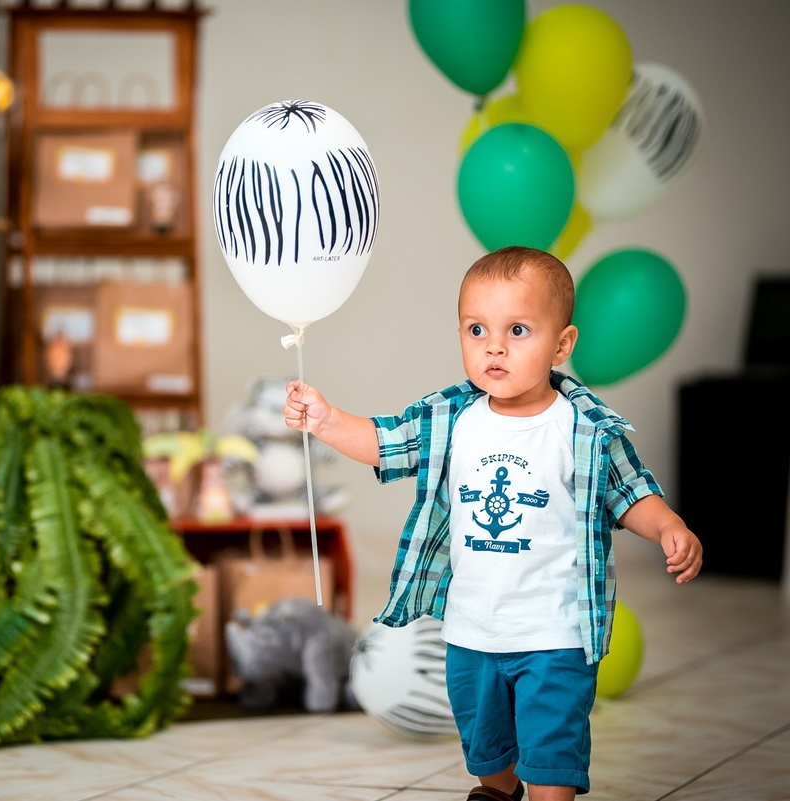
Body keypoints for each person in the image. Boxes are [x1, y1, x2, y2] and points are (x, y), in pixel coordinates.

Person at [283, 245, 702, 801]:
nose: (494, 346)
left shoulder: (585, 429)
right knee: (489, 760)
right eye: (476, 329)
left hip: (556, 635)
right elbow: (385, 443)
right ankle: (499, 792)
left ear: (562, 344)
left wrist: (668, 524)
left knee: (551, 768)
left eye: (519, 330)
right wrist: (327, 419)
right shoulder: (452, 419)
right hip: (472, 633)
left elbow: (629, 493)